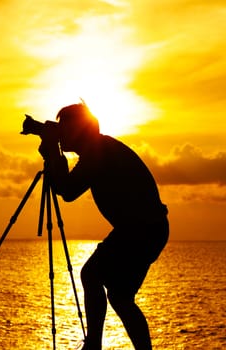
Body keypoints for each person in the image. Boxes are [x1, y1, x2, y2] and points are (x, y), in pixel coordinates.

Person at [38, 103, 169, 350]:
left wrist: (53, 152)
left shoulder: (98, 153)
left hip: (141, 229)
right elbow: (65, 187)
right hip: (145, 229)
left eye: (65, 129)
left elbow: (67, 190)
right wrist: (53, 150)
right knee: (120, 296)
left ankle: (93, 346)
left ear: (78, 131)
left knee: (92, 275)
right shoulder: (99, 149)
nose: (61, 134)